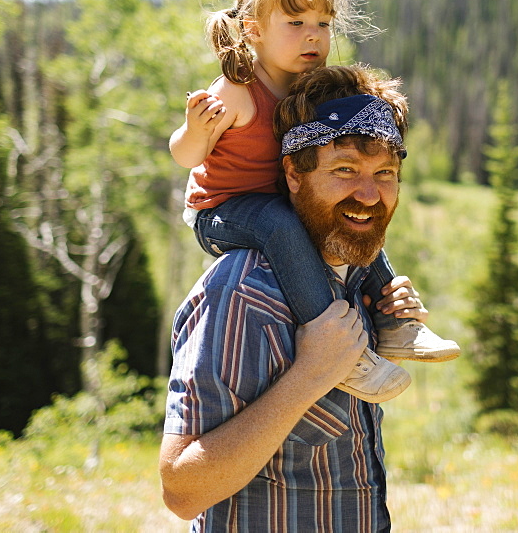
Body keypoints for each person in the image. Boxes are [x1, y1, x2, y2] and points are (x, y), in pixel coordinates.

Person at [168, 0, 458, 403]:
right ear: (253, 30)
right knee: (279, 224)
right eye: (296, 21)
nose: (313, 35)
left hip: (280, 198)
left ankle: (395, 322)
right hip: (222, 210)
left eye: (323, 24)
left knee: (352, 216)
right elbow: (185, 156)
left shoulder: (311, 88)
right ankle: (342, 353)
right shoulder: (238, 89)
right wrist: (195, 131)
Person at [160, 64, 431, 529]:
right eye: (345, 169)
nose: (369, 194)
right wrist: (310, 376)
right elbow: (182, 492)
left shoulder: (350, 282)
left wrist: (390, 317)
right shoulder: (243, 291)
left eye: (385, 173)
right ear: (293, 174)